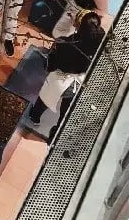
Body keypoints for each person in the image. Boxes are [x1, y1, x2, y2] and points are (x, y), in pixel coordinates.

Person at [29, 10, 105, 139]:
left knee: (44, 100)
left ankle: (34, 117)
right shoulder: (99, 44)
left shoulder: (64, 43)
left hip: (59, 80)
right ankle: (58, 131)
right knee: (66, 109)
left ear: (79, 27)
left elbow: (50, 65)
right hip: (78, 82)